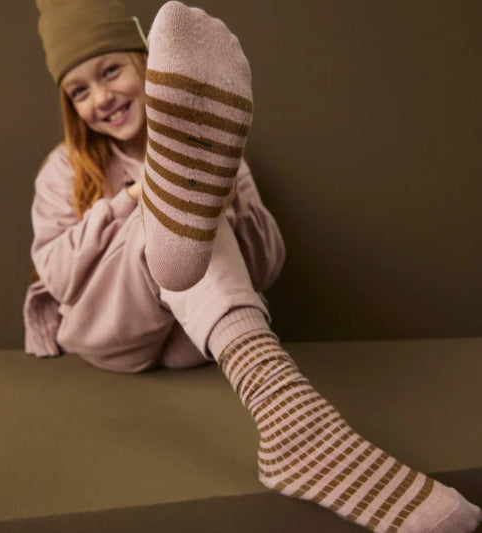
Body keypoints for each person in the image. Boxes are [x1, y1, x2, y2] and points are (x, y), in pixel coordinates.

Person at [25, 1, 482, 532]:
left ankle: (294, 436)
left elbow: (266, 264)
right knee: (165, 208)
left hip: (193, 342)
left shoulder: (216, 153)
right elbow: (56, 273)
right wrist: (133, 198)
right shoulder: (63, 169)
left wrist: (217, 203)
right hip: (113, 333)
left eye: (110, 71)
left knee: (192, 209)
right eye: (79, 91)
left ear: (145, 64)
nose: (101, 97)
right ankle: (288, 418)